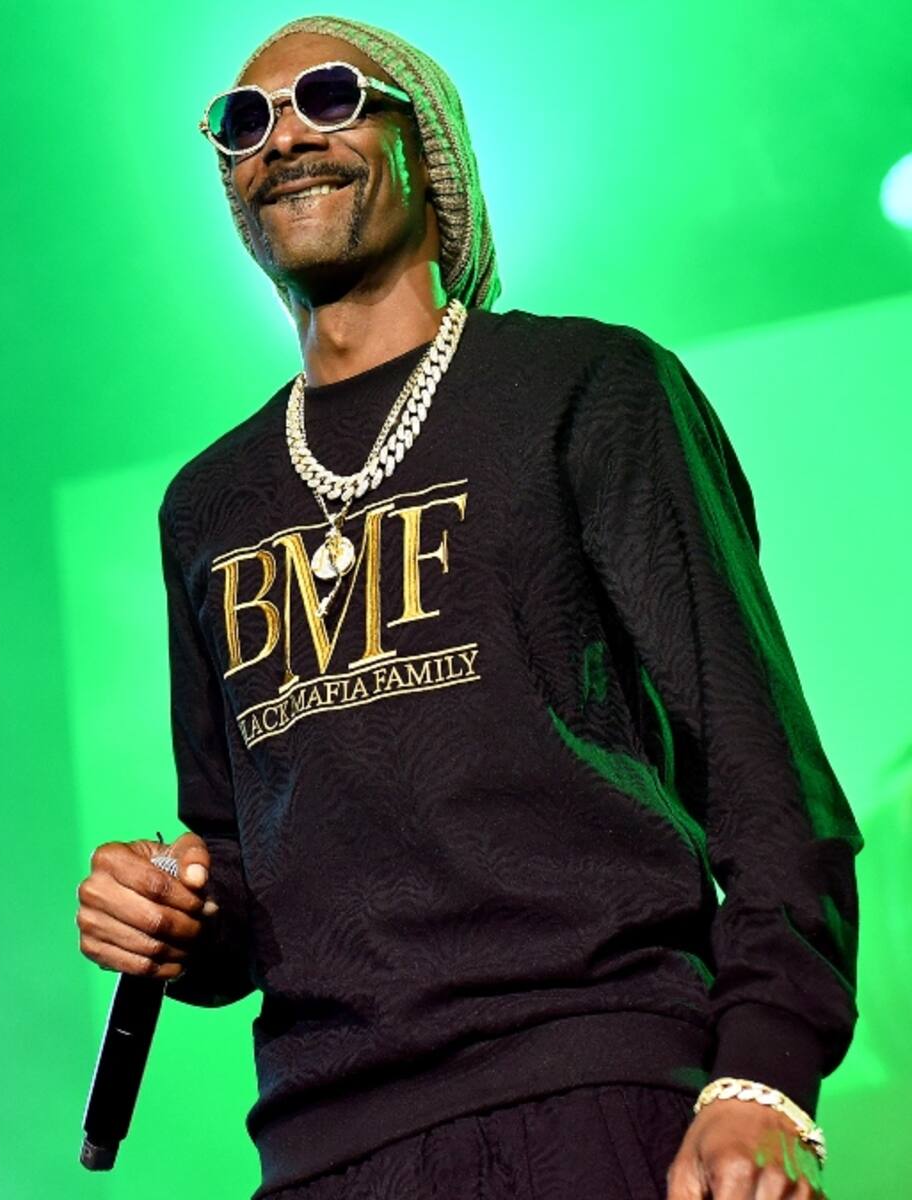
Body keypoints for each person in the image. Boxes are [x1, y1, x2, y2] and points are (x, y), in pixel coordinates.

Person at [75, 14, 863, 1200]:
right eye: (243, 123)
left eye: (331, 97)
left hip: (595, 1087)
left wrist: (763, 1073)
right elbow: (242, 873)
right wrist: (172, 920)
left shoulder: (586, 387)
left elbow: (760, 767)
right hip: (324, 1145)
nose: (283, 137)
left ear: (427, 146)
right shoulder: (206, 505)